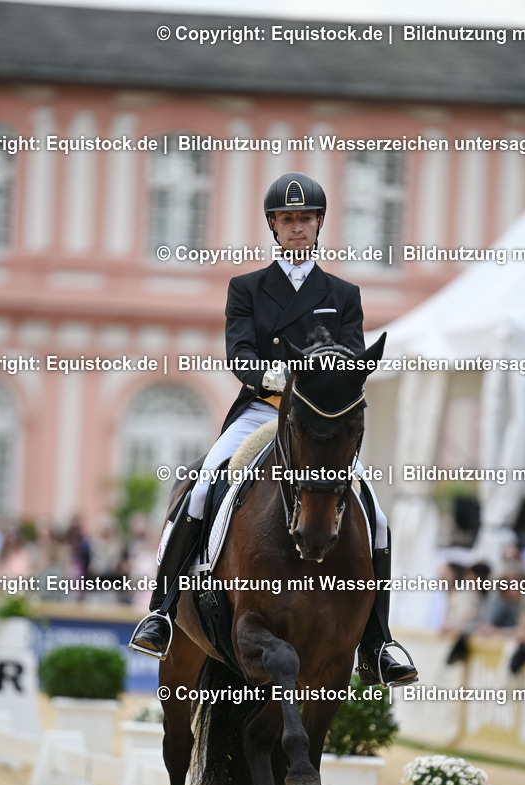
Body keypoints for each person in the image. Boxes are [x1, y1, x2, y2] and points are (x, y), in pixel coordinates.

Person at [130, 171, 417, 685]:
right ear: (273, 226)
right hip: (265, 410)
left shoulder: (342, 293)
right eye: (287, 220)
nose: (297, 227)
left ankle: (380, 640)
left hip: (321, 423)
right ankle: (162, 609)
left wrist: (325, 382)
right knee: (202, 487)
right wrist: (274, 373)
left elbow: (352, 355)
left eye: (305, 218)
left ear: (318, 224)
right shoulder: (246, 288)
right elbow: (238, 351)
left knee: (374, 514)